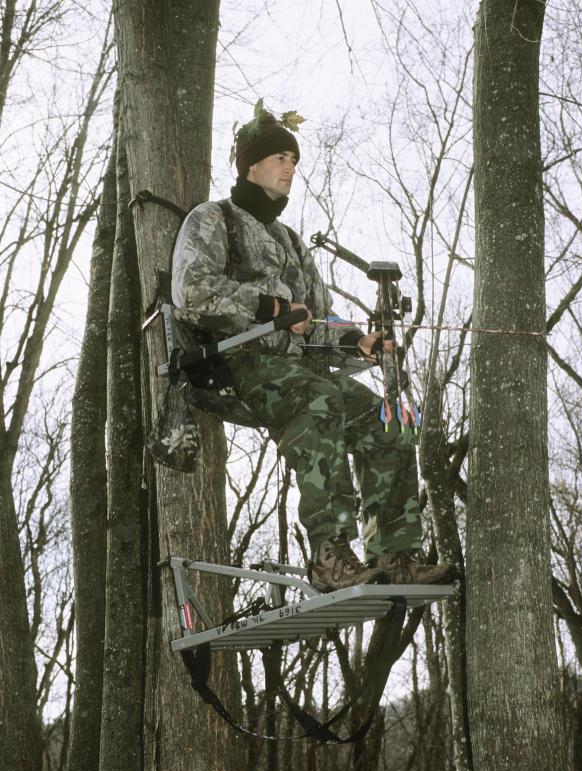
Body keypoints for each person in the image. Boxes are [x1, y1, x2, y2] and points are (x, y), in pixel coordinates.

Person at [171, 105, 453, 592]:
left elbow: (321, 318)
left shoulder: (292, 243)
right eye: (280, 157)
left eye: (294, 161)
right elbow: (190, 290)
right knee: (318, 398)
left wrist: (357, 342)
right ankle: (331, 555)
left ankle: (395, 553)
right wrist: (269, 308)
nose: (289, 168)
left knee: (387, 416)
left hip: (296, 370)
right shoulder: (214, 219)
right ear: (250, 166)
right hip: (237, 364)